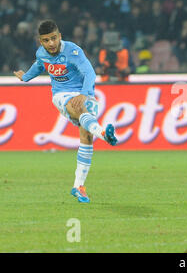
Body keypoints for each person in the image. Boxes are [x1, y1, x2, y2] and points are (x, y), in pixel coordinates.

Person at [13, 20, 118, 203]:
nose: (51, 43)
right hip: (61, 95)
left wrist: (85, 94)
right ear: (41, 41)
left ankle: (78, 186)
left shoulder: (73, 51)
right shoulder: (42, 54)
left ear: (60, 36)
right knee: (78, 109)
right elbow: (39, 65)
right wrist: (26, 77)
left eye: (53, 38)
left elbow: (90, 73)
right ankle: (104, 133)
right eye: (46, 40)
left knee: (86, 138)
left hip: (84, 93)